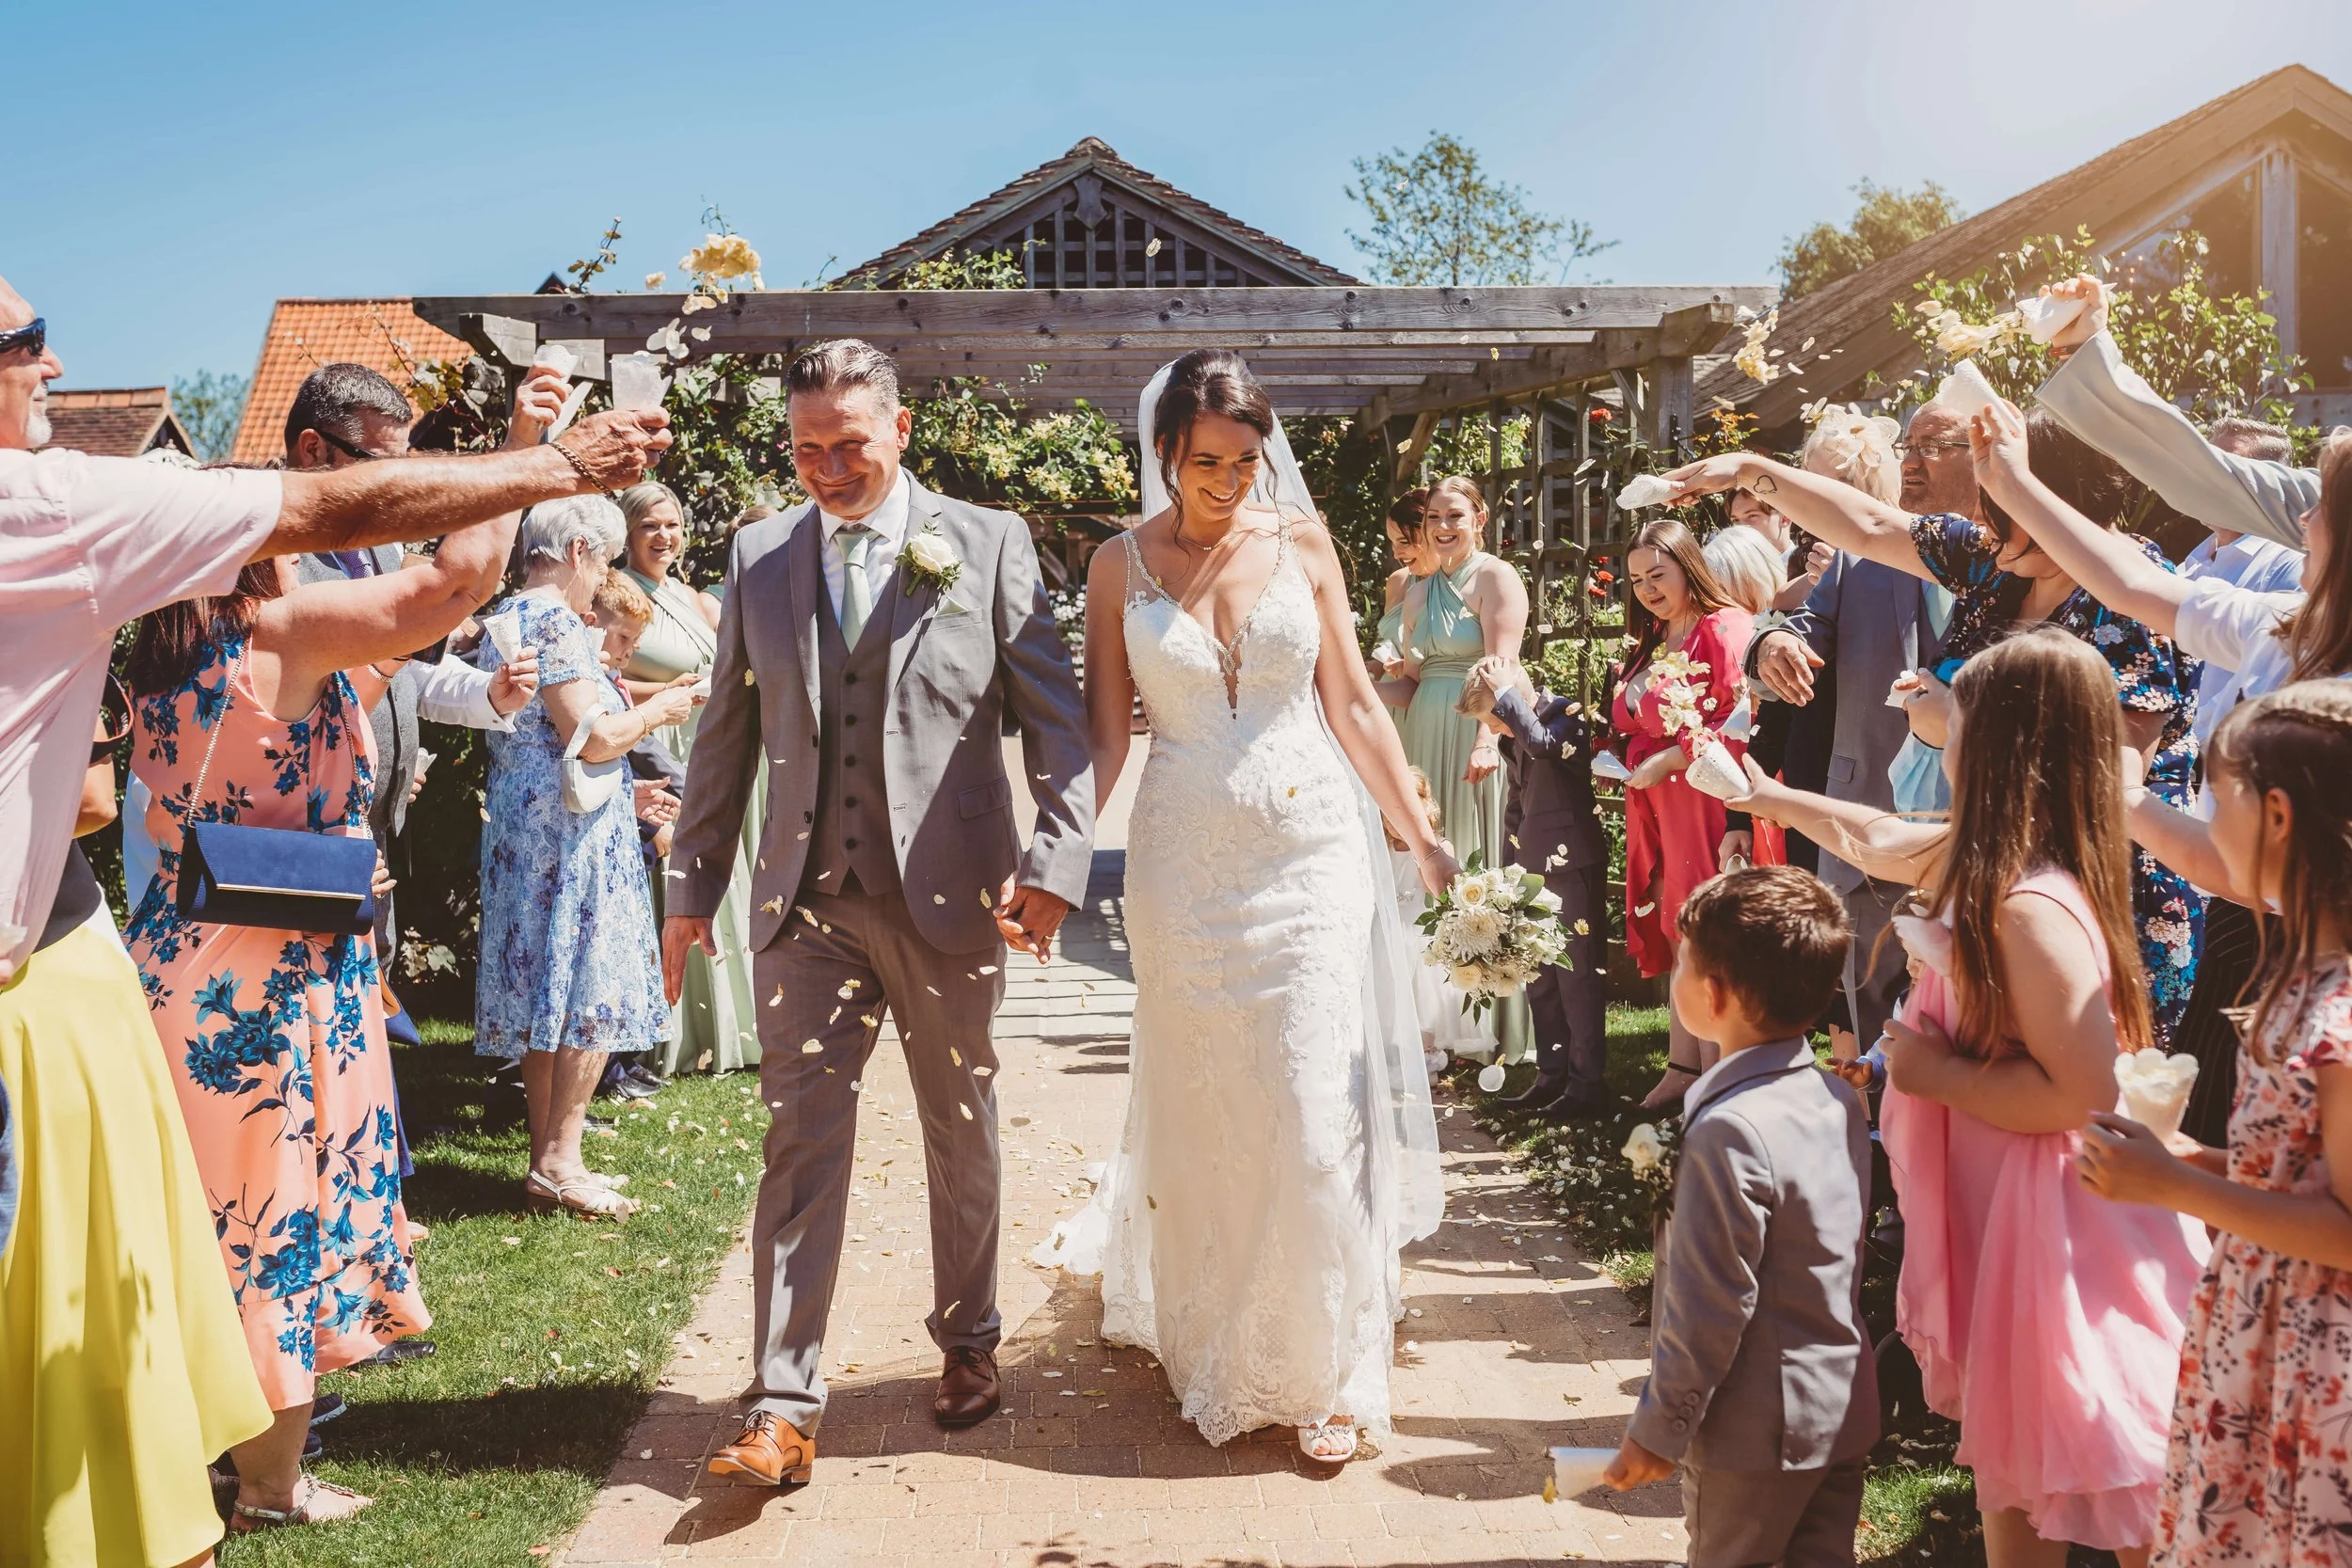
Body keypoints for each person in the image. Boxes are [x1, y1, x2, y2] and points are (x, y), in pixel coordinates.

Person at [0, 275, 666, 1568]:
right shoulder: (288, 624)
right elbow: (442, 588)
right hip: (277, 971)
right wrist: (536, 461)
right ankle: (263, 1480)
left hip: (176, 958)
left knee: (196, 1214)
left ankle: (204, 1453)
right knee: (273, 1219)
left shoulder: (165, 639)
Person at [663, 339, 1098, 1486]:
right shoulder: (758, 555)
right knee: (798, 1142)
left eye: (847, 443)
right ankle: (783, 1400)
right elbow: (724, 734)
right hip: (804, 904)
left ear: (899, 430)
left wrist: (1058, 856)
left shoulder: (988, 542)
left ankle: (968, 1342)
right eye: (806, 446)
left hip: (950, 897)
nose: (825, 465)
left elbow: (1056, 720)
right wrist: (691, 884)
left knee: (959, 1128)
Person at [1041, 347, 1452, 1465]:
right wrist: (1051, 858)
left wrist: (1419, 836)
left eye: (1245, 460)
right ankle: (1218, 1331)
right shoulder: (1116, 566)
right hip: (1182, 865)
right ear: (1165, 451)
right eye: (1206, 461)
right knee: (1215, 1098)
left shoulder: (1303, 545)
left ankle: (1325, 1364)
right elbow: (1104, 733)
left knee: (1316, 1098)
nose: (1228, 481)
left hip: (1312, 848)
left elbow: (1357, 705)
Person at [1728, 627, 2207, 1566]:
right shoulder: (1983, 863)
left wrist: (1933, 1071)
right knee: (2022, 1467)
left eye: (1958, 709)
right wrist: (1767, 795)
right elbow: (1875, 835)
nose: (1939, 723)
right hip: (2010, 1212)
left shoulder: (2028, 906)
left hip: (2057, 1228)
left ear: (2001, 741)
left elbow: (2078, 1090)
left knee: (2111, 1463)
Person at [1666, 418, 2206, 1049]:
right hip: (1984, 862)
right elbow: (1867, 525)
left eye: (1996, 496)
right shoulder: (1998, 557)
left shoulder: (2128, 590)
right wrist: (1744, 470)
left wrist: (1957, 722)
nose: (1979, 514)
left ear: (2053, 497)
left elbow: (2111, 783)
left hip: (2101, 898)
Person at [2076, 683, 2352, 1565]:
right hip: (2261, 1330)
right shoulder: (2300, 975)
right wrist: (2197, 1153)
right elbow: (2301, 1170)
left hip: (2319, 1363)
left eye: (2217, 793)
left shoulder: (2340, 1013)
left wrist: (2175, 1183)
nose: (2206, 817)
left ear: (2276, 814)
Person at [1604, 866, 1876, 1568]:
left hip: (1754, 1434)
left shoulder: (1728, 1131)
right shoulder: (1835, 1098)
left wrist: (1658, 1429)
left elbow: (1709, 1304)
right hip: (1838, 1409)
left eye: (1683, 962)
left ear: (1713, 995)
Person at [476, 497, 694, 1216]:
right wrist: (658, 714)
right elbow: (591, 738)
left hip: (527, 823)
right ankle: (562, 1158)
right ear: (576, 550)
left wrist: (627, 795)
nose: (602, 574)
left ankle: (548, 1158)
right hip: (570, 840)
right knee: (582, 989)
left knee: (548, 991)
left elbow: (537, 737)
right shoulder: (557, 621)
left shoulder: (505, 617)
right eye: (602, 557)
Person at [1745, 405, 1951, 1052]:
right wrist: (1771, 645)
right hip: (1865, 813)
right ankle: (1868, 1145)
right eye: (1909, 446)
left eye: (1933, 446)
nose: (1914, 461)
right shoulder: (1853, 565)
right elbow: (1798, 630)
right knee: (1861, 1012)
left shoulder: (2016, 561)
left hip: (1973, 825)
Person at [1600, 517, 1755, 1107]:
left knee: (1706, 930)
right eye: (1636, 579)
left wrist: (1669, 758)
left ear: (1689, 567)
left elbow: (1739, 718)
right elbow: (1632, 722)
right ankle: (1682, 1066)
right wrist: (1627, 757)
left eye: (1657, 575)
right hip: (1657, 806)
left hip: (1705, 799)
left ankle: (1719, 1075)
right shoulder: (1652, 640)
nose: (1646, 589)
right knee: (1676, 926)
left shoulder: (1724, 627)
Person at [611, 482, 757, 1080]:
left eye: (671, 525)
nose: (663, 537)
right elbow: (606, 677)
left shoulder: (692, 597)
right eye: (650, 527)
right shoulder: (619, 593)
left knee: (724, 883)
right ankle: (673, 1034)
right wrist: (669, 694)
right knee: (677, 886)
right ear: (627, 533)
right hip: (658, 749)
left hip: (711, 747)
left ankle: (733, 1027)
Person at [1395, 475, 1531, 1061]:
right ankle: (1439, 1024)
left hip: (1473, 730)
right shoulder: (1419, 591)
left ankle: (1489, 1023)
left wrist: (1485, 740)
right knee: (1430, 867)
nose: (1443, 527)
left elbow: (1502, 666)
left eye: (1455, 515)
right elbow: (1408, 681)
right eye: (1433, 519)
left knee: (1476, 861)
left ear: (1480, 517)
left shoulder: (1496, 577)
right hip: (1423, 732)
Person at [1460, 657, 1608, 1117]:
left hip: (1571, 863)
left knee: (1576, 977)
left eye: (1495, 721)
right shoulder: (1517, 734)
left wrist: (1508, 700)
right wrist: (1508, 873)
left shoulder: (1566, 716)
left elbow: (1545, 747)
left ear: (1513, 697)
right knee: (1541, 976)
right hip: (1532, 870)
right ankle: (1552, 1074)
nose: (1499, 731)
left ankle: (1586, 1084)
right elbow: (1517, 805)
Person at [1371, 487, 1430, 713]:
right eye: (1392, 543)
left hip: (1431, 700)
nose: (1395, 554)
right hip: (1390, 698)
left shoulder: (1464, 584)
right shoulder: (1398, 582)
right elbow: (1388, 648)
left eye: (1404, 542)